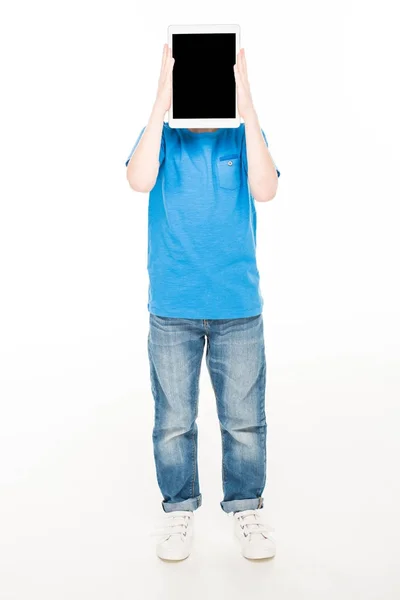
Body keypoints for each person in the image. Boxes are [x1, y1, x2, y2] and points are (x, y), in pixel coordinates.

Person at [125, 43, 280, 561]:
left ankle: (246, 507)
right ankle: (178, 513)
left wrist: (248, 104)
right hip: (172, 307)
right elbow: (138, 178)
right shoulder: (161, 139)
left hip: (238, 308)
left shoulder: (245, 138)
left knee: (243, 420)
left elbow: (266, 190)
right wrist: (161, 101)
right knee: (174, 419)